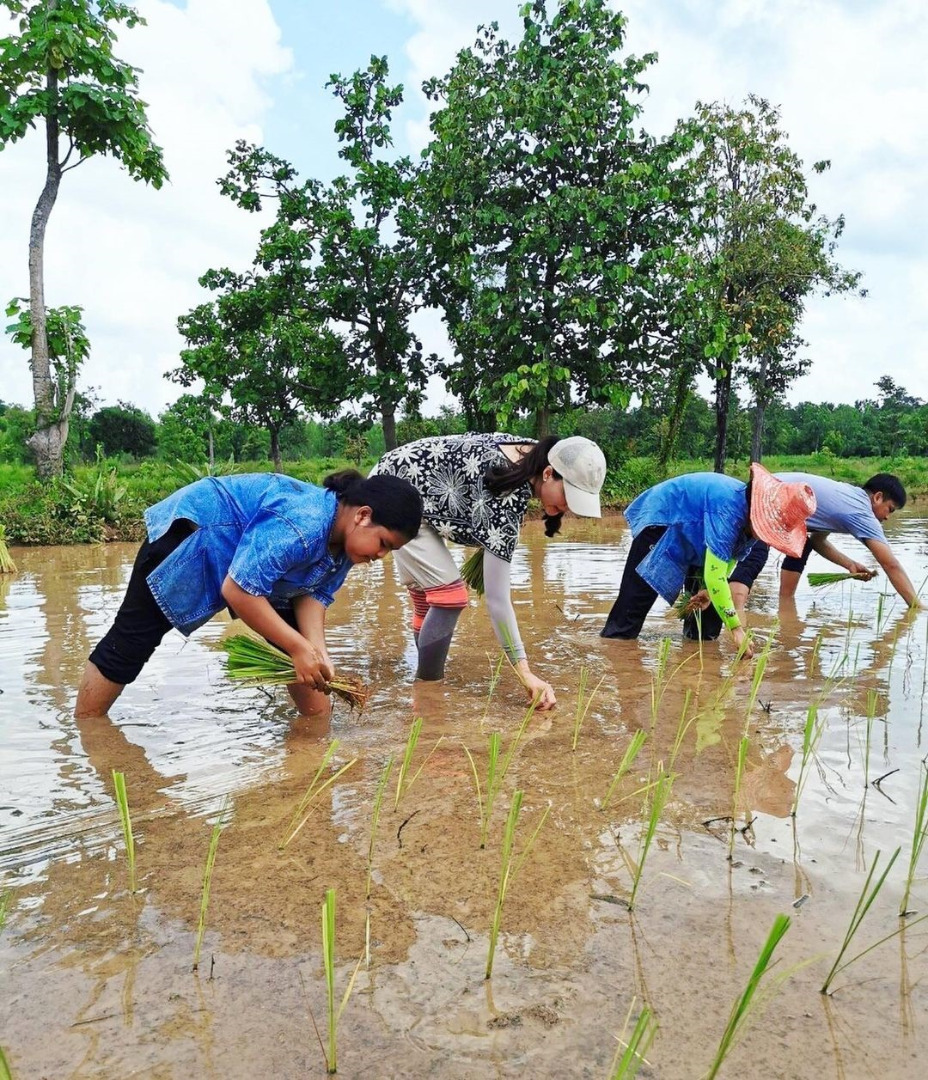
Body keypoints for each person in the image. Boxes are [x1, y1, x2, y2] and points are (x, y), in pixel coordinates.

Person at [74, 470, 422, 719]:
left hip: (246, 563)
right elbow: (239, 590)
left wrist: (316, 652)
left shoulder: (345, 547)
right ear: (363, 516)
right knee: (132, 642)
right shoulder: (303, 525)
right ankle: (89, 730)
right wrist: (300, 648)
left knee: (302, 659)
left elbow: (312, 597)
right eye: (384, 545)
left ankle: (314, 736)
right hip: (192, 536)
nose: (381, 557)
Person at [370, 433, 607, 709]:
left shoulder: (528, 453)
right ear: (547, 473)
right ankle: (428, 692)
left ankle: (423, 694)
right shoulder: (507, 496)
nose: (566, 508)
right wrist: (524, 672)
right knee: (450, 597)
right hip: (395, 494)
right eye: (567, 495)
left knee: (429, 598)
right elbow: (497, 600)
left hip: (396, 479)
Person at [600, 463, 817, 658]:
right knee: (632, 608)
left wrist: (707, 590)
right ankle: (614, 657)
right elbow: (716, 576)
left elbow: (727, 562)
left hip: (700, 534)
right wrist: (736, 628)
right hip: (667, 518)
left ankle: (695, 672)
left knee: (705, 617)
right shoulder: (728, 510)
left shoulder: (752, 526)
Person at [709, 472, 923, 617]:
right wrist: (917, 607)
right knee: (754, 558)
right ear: (877, 497)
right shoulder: (861, 512)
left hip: (768, 492)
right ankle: (735, 626)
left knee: (802, 543)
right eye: (890, 509)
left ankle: (786, 607)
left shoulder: (846, 499)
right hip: (764, 500)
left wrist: (849, 564)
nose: (887, 518)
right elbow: (890, 565)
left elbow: (817, 541)